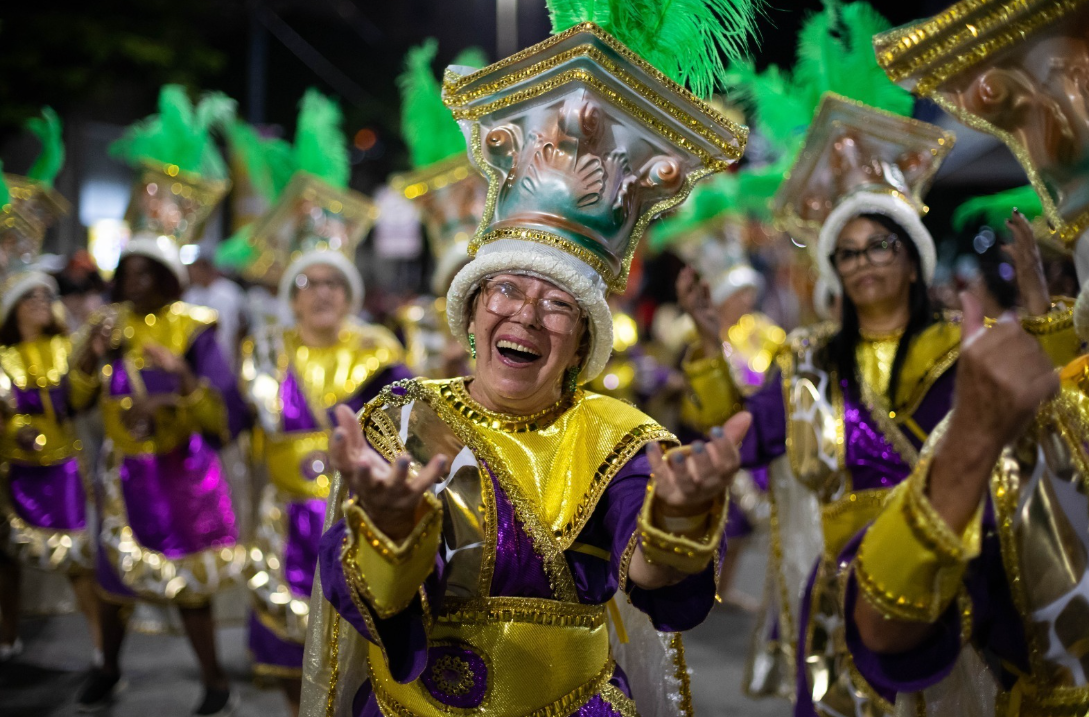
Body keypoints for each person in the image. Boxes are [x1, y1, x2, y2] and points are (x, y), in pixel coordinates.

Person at [299, 1, 763, 713]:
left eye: (555, 303)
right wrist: (390, 534)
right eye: (506, 289)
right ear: (472, 309)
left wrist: (674, 524)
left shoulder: (619, 439)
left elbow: (650, 570)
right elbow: (349, 588)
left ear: (582, 339)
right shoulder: (400, 417)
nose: (523, 313)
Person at [700, 94, 1079, 717]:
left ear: (911, 258)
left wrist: (1044, 327)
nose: (864, 262)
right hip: (841, 601)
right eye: (847, 252)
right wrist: (707, 441)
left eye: (880, 245)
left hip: (952, 586)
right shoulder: (808, 358)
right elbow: (748, 430)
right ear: (834, 268)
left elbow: (1042, 416)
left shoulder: (963, 343)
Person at [75, 85, 248, 717]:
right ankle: (107, 667)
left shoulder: (195, 327)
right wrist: (91, 361)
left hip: (182, 475)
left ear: (169, 276)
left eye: (149, 272)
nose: (137, 281)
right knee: (114, 581)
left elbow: (225, 417)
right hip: (123, 472)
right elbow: (75, 399)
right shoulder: (106, 324)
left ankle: (214, 682)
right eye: (130, 271)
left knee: (190, 585)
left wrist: (179, 388)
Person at [0, 122, 102, 662]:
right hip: (10, 467)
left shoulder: (66, 349)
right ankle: (8, 637)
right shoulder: (3, 357)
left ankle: (98, 647)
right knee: (6, 561)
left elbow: (80, 397)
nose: (41, 303)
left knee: (77, 559)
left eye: (45, 295)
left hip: (61, 464)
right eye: (30, 298)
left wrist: (88, 364)